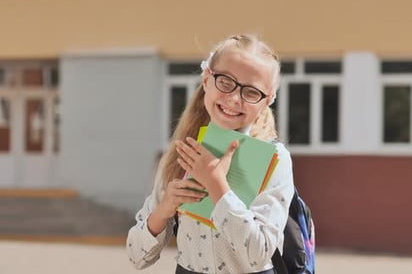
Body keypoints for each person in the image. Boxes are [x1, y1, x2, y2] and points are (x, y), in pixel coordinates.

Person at [126, 34, 295, 274]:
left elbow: (258, 255)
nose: (234, 99)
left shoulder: (274, 159)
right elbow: (136, 257)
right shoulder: (182, 151)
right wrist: (164, 209)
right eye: (226, 82)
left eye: (251, 92)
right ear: (207, 79)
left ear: (267, 100)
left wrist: (217, 185)